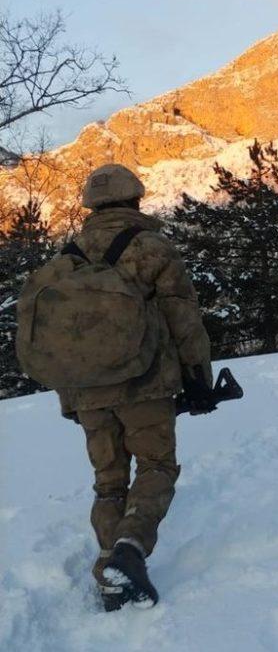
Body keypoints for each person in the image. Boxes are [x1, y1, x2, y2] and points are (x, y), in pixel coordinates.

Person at [58, 164, 213, 609]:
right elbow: (182, 317)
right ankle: (129, 550)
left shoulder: (66, 257)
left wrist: (69, 398)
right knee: (156, 467)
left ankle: (111, 577)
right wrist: (198, 377)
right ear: (135, 201)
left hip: (87, 390)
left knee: (108, 483)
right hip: (146, 384)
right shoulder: (151, 248)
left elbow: (59, 341)